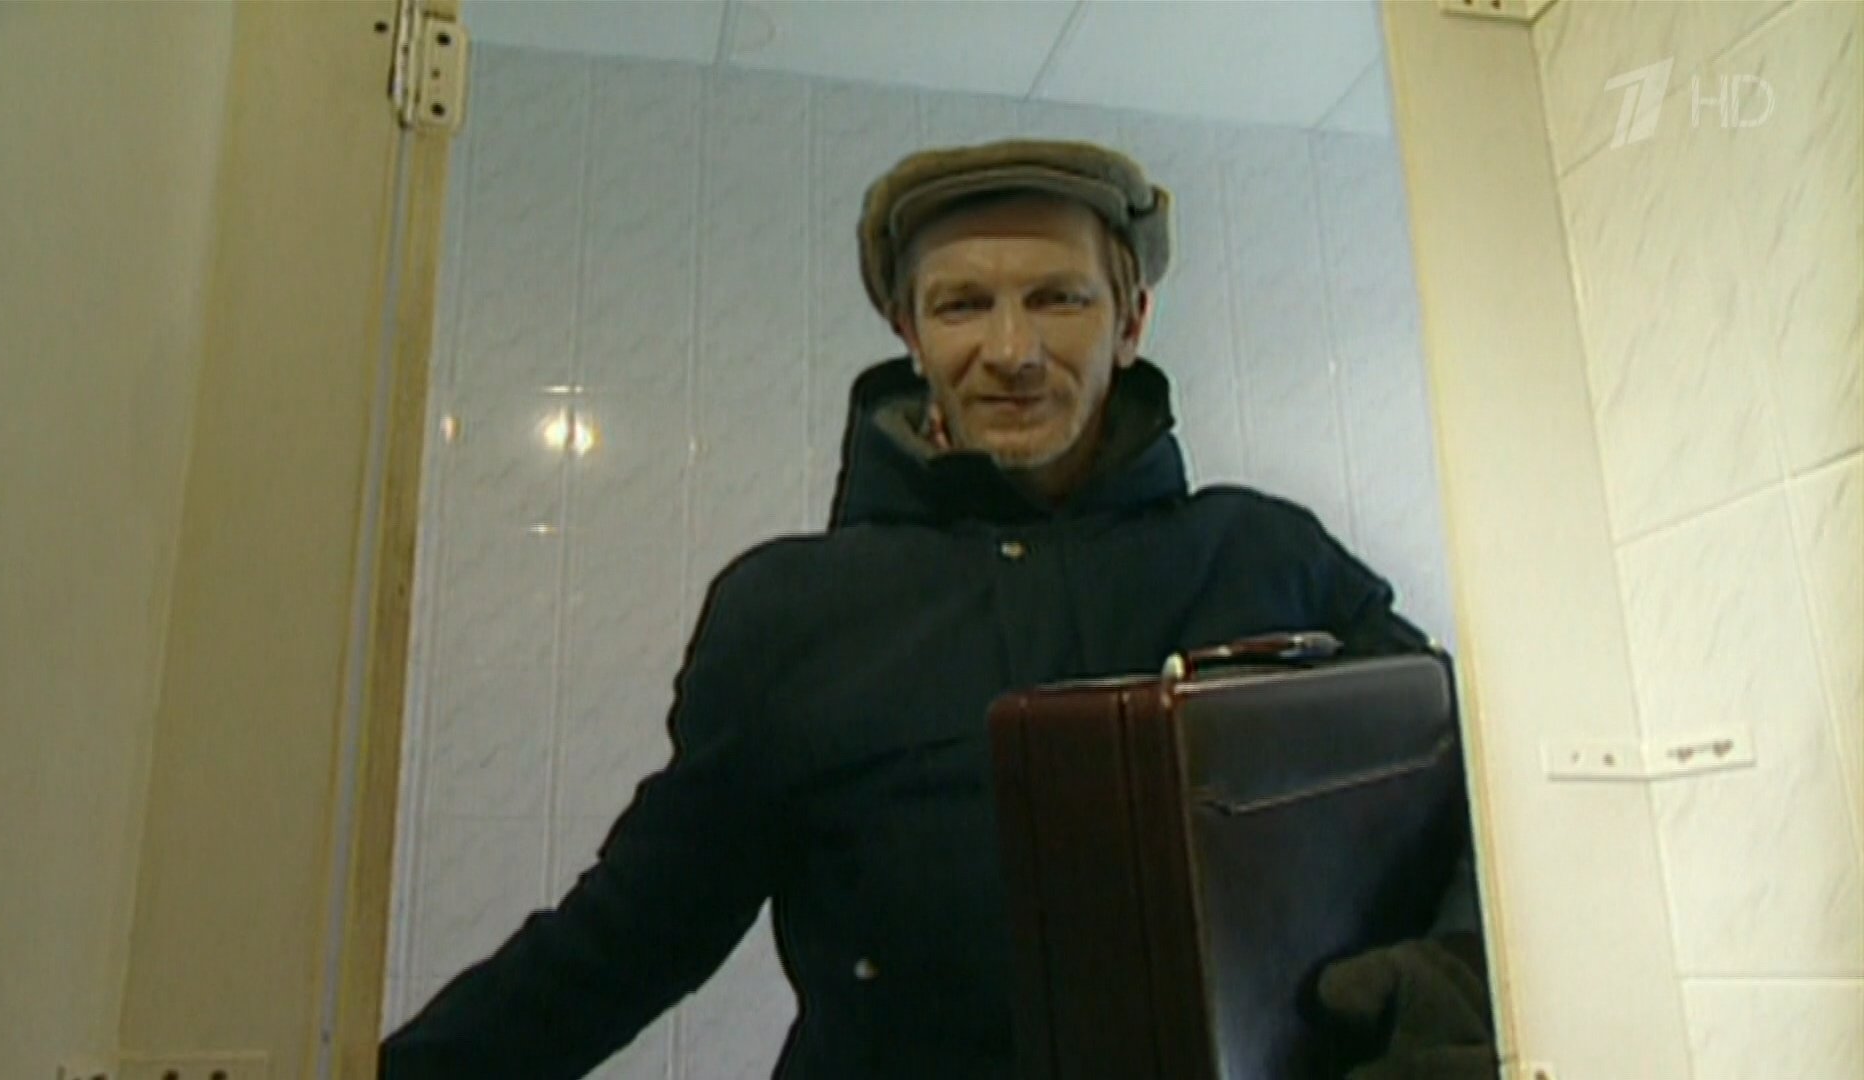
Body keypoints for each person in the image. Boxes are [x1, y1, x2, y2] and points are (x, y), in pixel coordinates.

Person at [381, 139, 1494, 1079]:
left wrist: (1444, 990)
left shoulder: (1269, 555)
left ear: (1131, 320)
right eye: (963, 304)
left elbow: (1480, 807)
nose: (1012, 352)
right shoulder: (788, 612)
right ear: (909, 333)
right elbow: (626, 939)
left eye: (1059, 298)